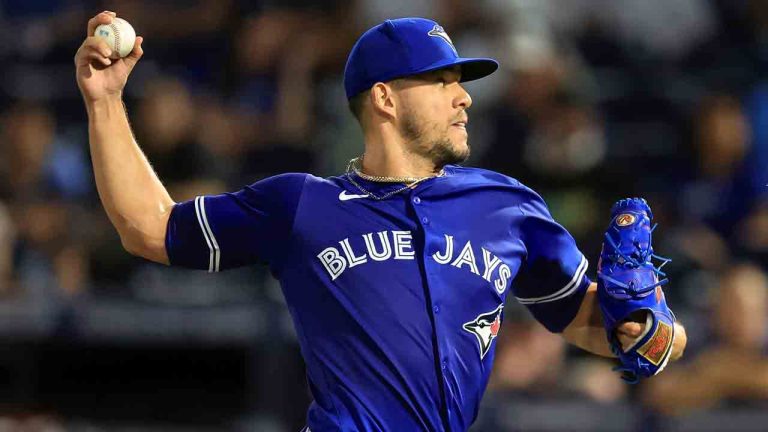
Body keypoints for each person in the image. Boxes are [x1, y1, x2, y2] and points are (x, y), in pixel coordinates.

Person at [75, 11, 687, 432]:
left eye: (461, 82)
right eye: (442, 80)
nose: (464, 96)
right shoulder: (301, 206)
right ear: (385, 99)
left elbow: (586, 318)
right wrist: (104, 101)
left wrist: (651, 330)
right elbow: (149, 228)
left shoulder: (508, 207)